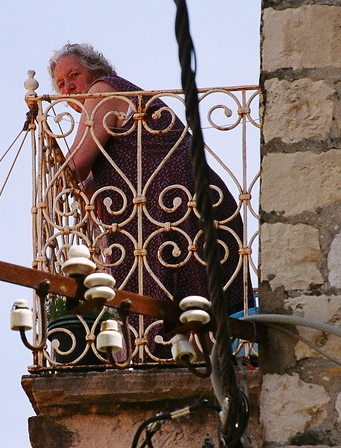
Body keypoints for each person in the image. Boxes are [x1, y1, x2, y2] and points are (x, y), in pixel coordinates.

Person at [49, 43, 248, 319]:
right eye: (60, 83)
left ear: (96, 71)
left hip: (178, 203)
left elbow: (74, 167)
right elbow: (90, 187)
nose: (68, 86)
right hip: (180, 204)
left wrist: (49, 183)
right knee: (192, 311)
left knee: (171, 309)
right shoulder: (104, 111)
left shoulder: (103, 90)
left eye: (73, 75)